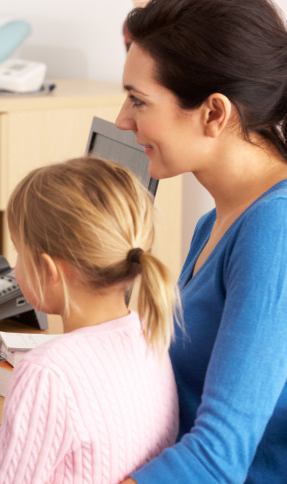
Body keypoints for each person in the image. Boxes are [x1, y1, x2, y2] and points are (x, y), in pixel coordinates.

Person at [115, 0, 287, 482]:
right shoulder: (216, 222)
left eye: (138, 100)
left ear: (213, 112)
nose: (123, 120)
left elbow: (217, 459)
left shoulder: (275, 231)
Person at [0, 156, 180, 484]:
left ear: (48, 270)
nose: (15, 269)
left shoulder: (49, 371)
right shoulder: (150, 332)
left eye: (18, 252)